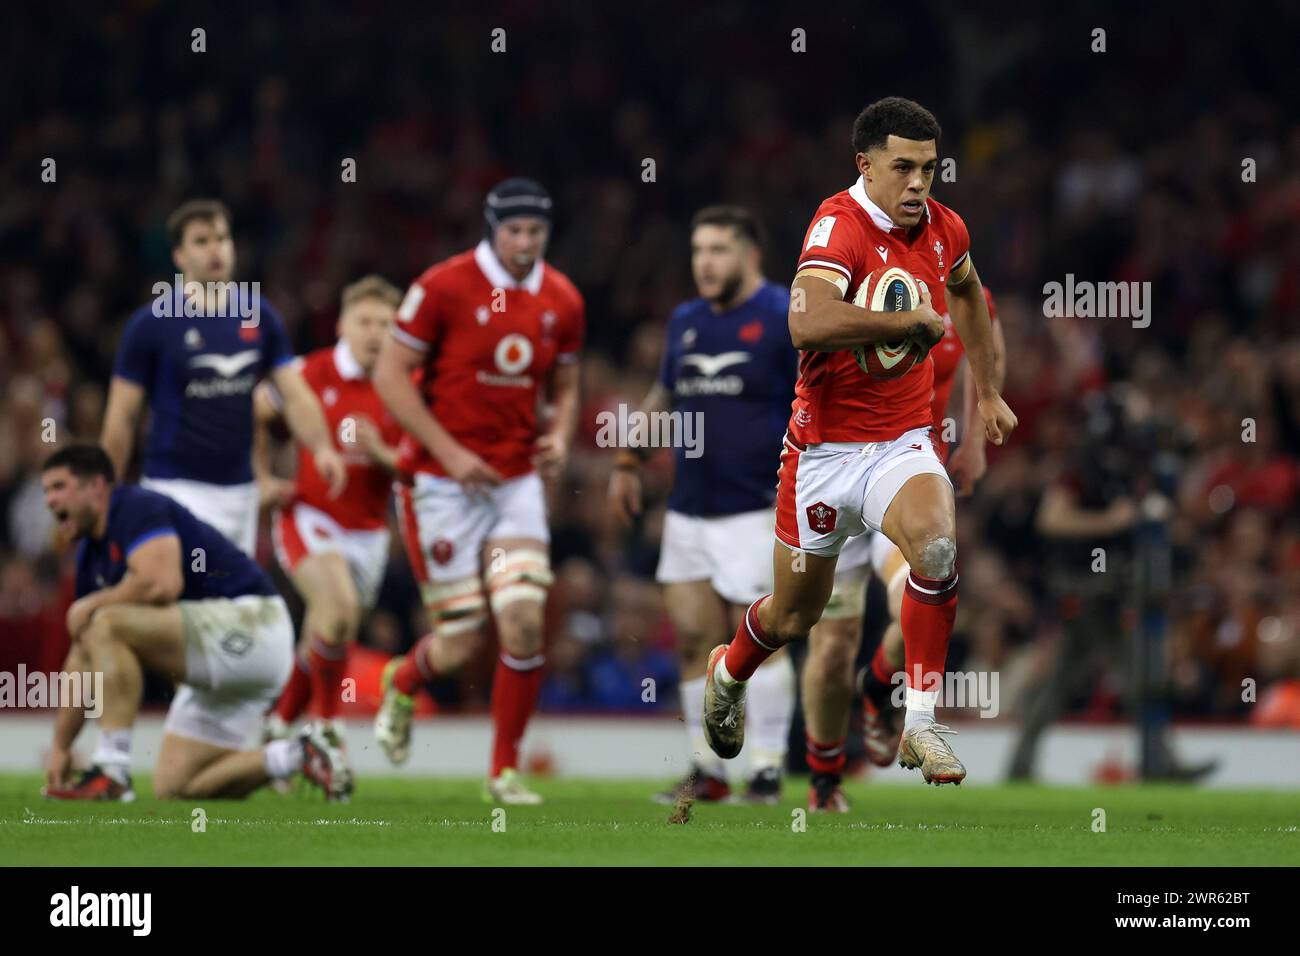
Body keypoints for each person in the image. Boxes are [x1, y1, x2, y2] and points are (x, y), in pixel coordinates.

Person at [700, 97, 1017, 788]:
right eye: (903, 168)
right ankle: (728, 673)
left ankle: (921, 723)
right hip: (823, 453)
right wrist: (904, 325)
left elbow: (969, 293)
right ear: (865, 165)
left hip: (901, 442)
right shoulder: (837, 225)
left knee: (937, 549)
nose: (918, 183)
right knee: (794, 617)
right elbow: (806, 323)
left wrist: (988, 391)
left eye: (929, 168)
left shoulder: (945, 228)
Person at [371, 178, 584, 804]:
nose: (525, 243)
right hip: (439, 485)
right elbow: (389, 375)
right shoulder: (443, 286)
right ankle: (402, 682)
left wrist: (559, 436)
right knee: (460, 644)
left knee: (523, 621)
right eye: (514, 231)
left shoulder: (562, 298)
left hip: (514, 482)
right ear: (493, 230)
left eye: (535, 232)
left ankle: (502, 772)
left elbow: (566, 384)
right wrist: (450, 453)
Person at [608, 205, 798, 805]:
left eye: (718, 250)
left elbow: (815, 398)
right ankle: (708, 770)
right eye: (698, 251)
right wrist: (628, 460)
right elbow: (664, 393)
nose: (705, 263)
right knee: (693, 639)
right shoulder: (686, 321)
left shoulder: (783, 314)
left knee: (758, 639)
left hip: (758, 506)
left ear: (750, 255)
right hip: (689, 508)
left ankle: (766, 770)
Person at [40, 445, 349, 802]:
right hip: (225, 651)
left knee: (105, 622)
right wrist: (61, 745)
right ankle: (299, 754)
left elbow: (162, 582)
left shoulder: (134, 506)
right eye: (46, 491)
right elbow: (84, 652)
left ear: (96, 485)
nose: (50, 500)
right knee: (176, 784)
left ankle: (112, 769)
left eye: (59, 486)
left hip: (252, 624)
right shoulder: (90, 555)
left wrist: (91, 605)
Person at [804, 287, 1005, 811]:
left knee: (916, 596)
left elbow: (989, 348)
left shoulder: (964, 294)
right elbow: (806, 339)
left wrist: (975, 440)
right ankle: (824, 778)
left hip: (903, 476)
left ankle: (878, 686)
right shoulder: (847, 278)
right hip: (834, 469)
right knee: (831, 646)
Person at [99, 199, 345, 557]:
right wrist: (107, 491)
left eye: (222, 238)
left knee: (225, 591)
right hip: (174, 486)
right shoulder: (150, 325)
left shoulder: (260, 316)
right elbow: (121, 416)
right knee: (181, 586)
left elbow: (294, 394)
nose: (215, 249)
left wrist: (322, 447)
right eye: (201, 241)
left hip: (240, 492)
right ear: (179, 256)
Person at [256, 277, 404, 773]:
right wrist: (261, 478)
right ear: (342, 324)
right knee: (336, 609)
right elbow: (254, 410)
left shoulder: (404, 384)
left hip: (369, 532)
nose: (374, 332)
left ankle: (278, 727)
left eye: (385, 324)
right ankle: (325, 726)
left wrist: (382, 453)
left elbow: (420, 464)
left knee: (326, 632)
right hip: (309, 515)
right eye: (365, 321)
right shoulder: (310, 372)